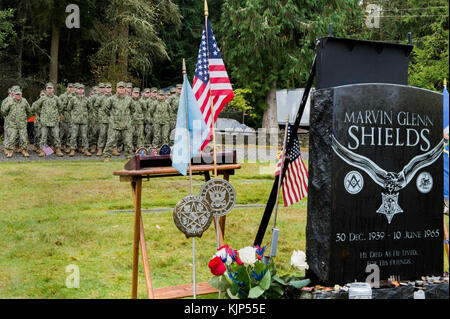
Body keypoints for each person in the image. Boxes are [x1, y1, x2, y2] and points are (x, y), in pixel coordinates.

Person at [103, 82, 135, 162]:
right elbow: (106, 109)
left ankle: (129, 157)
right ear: (116, 88)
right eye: (119, 88)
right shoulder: (111, 99)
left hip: (126, 125)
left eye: (122, 88)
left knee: (128, 142)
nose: (121, 89)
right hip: (114, 124)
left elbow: (133, 110)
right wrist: (112, 118)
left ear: (125, 89)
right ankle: (107, 156)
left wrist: (128, 119)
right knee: (110, 141)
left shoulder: (129, 99)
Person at [32, 83, 64, 157]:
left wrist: (55, 115)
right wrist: (41, 114)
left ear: (53, 89)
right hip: (44, 122)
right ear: (46, 89)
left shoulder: (56, 98)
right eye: (48, 88)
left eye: (51, 88)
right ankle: (44, 151)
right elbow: (35, 107)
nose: (49, 89)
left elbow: (61, 108)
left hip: (54, 121)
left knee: (56, 136)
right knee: (43, 137)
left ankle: (57, 149)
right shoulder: (42, 98)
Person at [1, 88, 32, 158]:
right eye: (17, 94)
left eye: (19, 94)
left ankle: (24, 150)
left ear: (21, 94)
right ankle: (10, 151)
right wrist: (9, 119)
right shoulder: (10, 101)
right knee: (12, 138)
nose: (18, 96)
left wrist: (24, 119)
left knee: (23, 138)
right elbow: (4, 111)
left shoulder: (24, 101)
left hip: (22, 124)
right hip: (12, 124)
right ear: (14, 95)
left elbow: (29, 111)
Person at [67, 84, 91, 157]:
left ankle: (86, 150)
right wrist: (73, 116)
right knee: (73, 136)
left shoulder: (87, 99)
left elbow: (90, 108)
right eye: (79, 89)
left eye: (81, 89)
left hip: (84, 121)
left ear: (83, 90)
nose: (80, 90)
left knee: (84, 136)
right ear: (76, 90)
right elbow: (68, 109)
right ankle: (72, 150)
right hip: (75, 121)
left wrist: (86, 116)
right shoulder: (73, 99)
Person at [95, 82, 113, 156]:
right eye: (107, 88)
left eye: (109, 88)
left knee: (112, 135)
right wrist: (100, 114)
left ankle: (111, 149)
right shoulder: (101, 98)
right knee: (102, 134)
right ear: (105, 89)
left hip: (112, 119)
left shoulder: (114, 97)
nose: (108, 89)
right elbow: (95, 106)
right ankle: (100, 149)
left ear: (111, 89)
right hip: (103, 119)